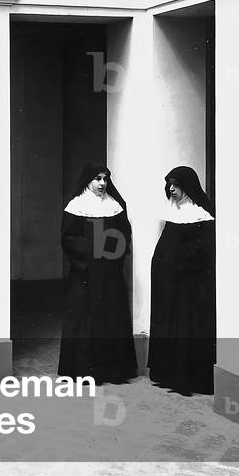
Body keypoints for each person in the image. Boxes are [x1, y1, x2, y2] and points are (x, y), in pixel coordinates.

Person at [57, 161, 137, 385]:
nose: (102, 183)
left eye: (105, 179)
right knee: (85, 318)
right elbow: (69, 238)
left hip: (110, 271)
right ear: (88, 181)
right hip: (85, 274)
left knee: (112, 316)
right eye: (97, 179)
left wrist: (111, 253)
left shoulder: (115, 205)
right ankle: (84, 370)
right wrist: (93, 255)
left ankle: (114, 371)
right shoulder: (76, 205)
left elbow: (124, 233)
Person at [148, 165, 216, 395]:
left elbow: (200, 249)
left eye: (176, 185)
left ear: (188, 187)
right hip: (169, 282)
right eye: (170, 184)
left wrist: (176, 263)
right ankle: (167, 374)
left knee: (185, 325)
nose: (172, 188)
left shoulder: (200, 214)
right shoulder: (173, 211)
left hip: (188, 283)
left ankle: (185, 377)